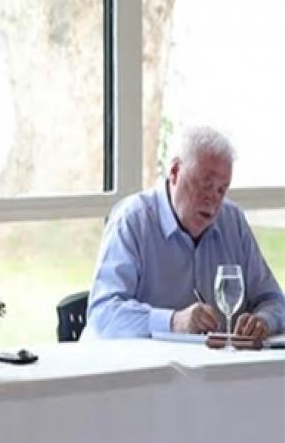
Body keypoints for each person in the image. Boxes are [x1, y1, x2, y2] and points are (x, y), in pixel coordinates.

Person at [85, 125, 285, 339]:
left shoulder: (232, 221)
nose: (213, 200)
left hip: (214, 368)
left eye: (221, 189)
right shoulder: (133, 220)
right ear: (175, 172)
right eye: (205, 185)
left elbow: (274, 300)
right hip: (138, 367)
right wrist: (173, 321)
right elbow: (103, 314)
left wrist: (264, 320)